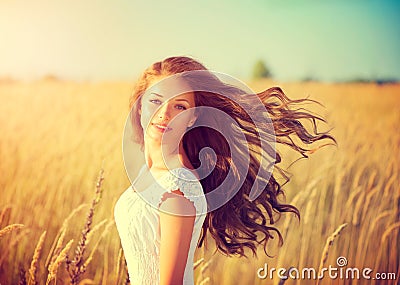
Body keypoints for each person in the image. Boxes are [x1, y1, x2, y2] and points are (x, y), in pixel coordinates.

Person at [114, 56, 335, 285]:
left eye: (179, 106)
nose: (164, 114)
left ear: (193, 118)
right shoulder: (149, 171)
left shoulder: (177, 190)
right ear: (140, 106)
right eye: (155, 101)